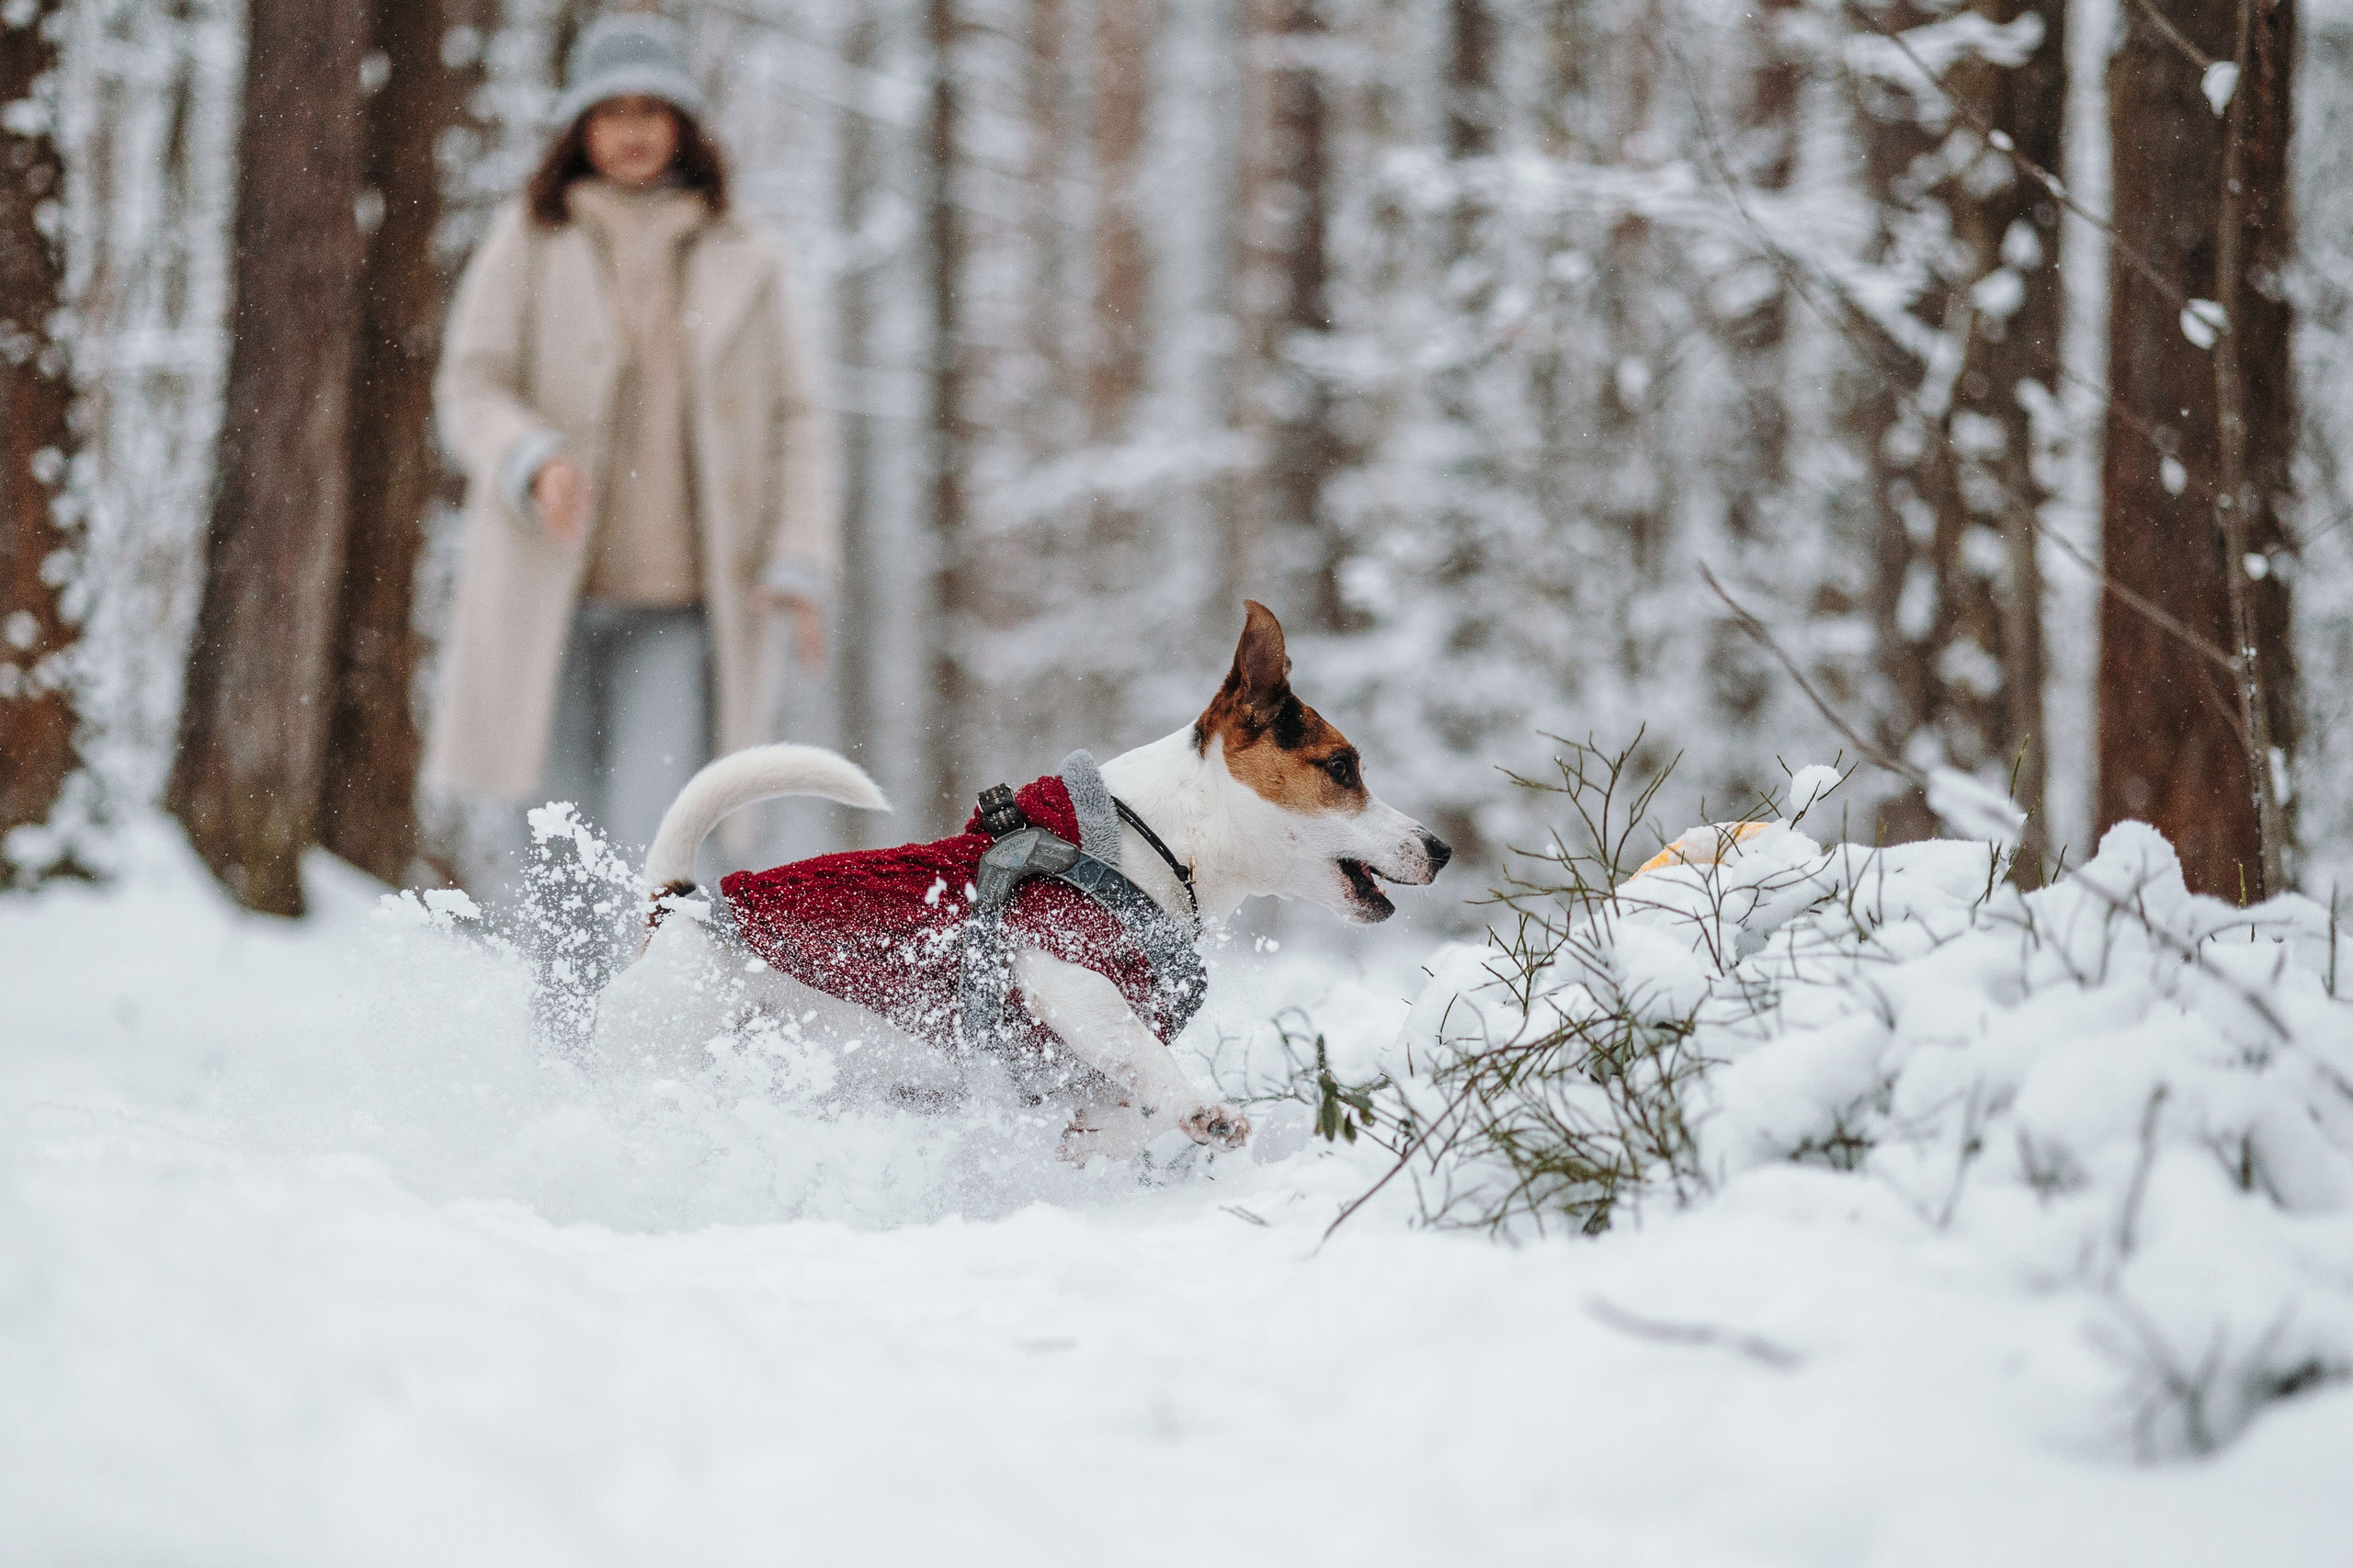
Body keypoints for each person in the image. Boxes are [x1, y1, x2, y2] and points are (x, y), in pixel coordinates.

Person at [424, 13, 834, 875]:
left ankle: (647, 1008)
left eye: (653, 109)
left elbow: (799, 419)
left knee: (661, 830)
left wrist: (799, 558)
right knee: (551, 841)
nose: (634, 131)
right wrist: (530, 457)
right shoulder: (529, 239)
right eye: (612, 112)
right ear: (581, 127)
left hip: (683, 603)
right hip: (548, 589)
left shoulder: (745, 254)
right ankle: (561, 1016)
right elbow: (470, 384)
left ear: (684, 124)